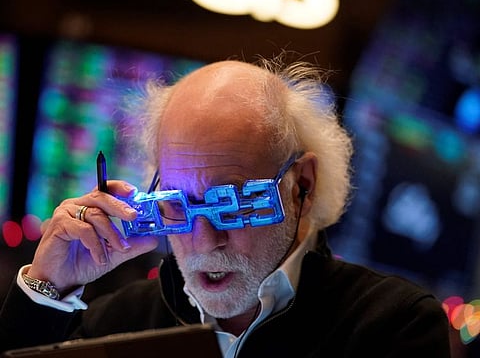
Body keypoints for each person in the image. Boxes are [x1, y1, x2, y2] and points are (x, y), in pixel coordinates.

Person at [0, 56, 451, 357]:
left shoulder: (393, 326)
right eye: (178, 202)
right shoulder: (118, 322)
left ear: (302, 186)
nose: (204, 240)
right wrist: (48, 288)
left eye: (233, 203)